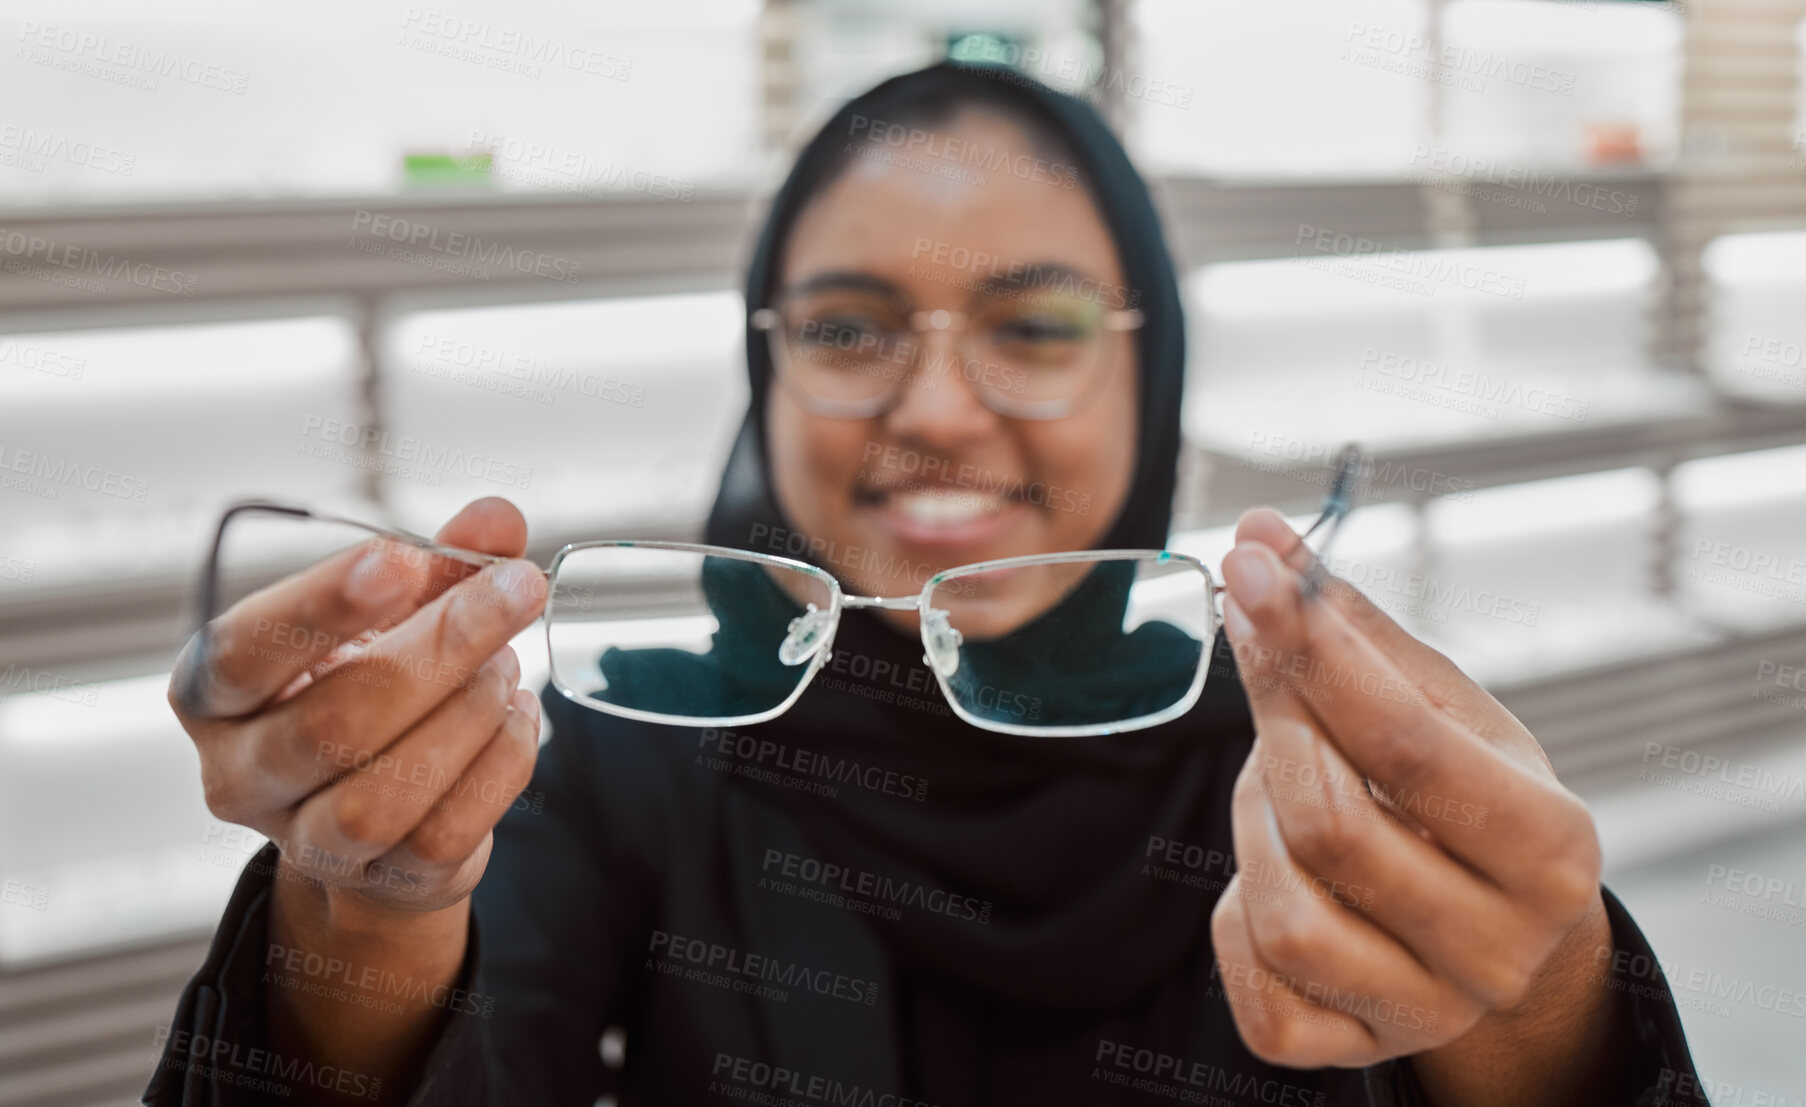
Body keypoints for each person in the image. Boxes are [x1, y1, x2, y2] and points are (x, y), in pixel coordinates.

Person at [148, 62, 1706, 1106]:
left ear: (1147, 367)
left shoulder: (1299, 769)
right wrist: (365, 903)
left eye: (1031, 329)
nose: (939, 412)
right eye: (844, 328)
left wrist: (1540, 1002)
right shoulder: (624, 742)